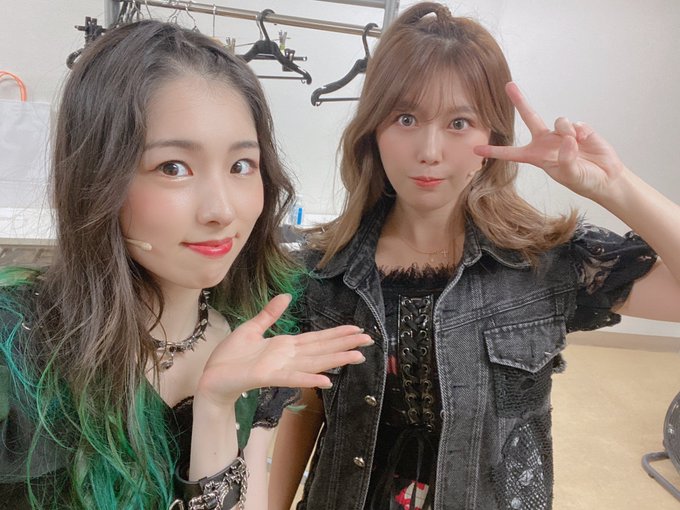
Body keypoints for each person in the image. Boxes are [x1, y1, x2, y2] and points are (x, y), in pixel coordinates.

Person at [268, 3, 680, 509]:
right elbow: (307, 407)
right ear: (373, 130)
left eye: (459, 122)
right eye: (405, 118)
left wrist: (614, 185)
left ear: (493, 137)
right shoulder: (321, 271)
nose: (430, 150)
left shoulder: (545, 264)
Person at [0, 20, 372, 510]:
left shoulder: (254, 342)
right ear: (96, 177)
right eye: (173, 168)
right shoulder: (17, 349)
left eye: (241, 166)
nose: (222, 210)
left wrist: (216, 408)